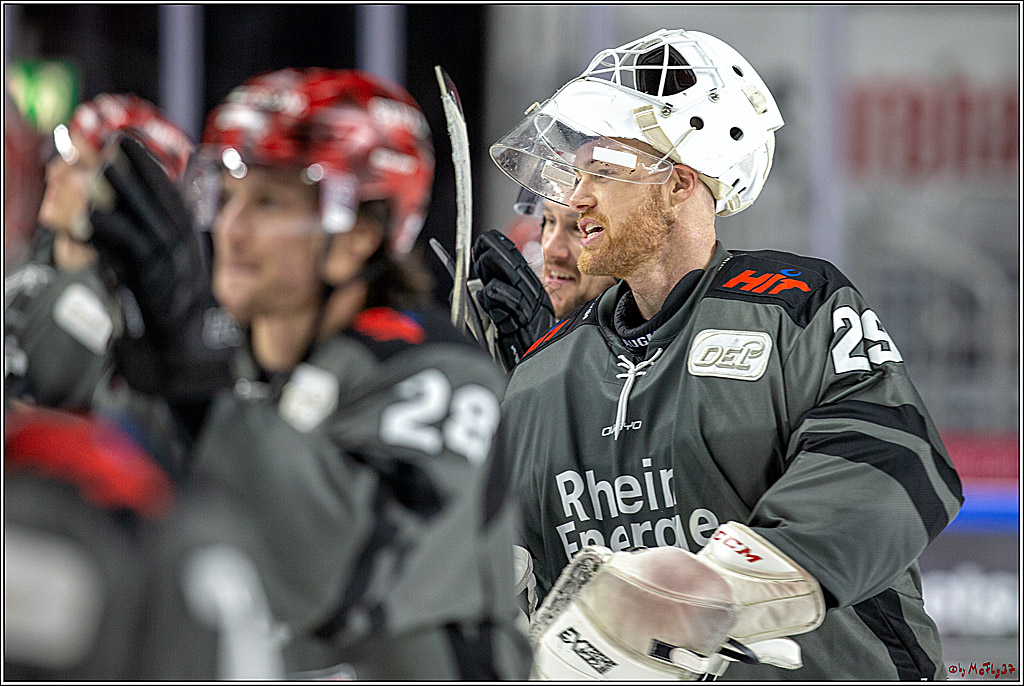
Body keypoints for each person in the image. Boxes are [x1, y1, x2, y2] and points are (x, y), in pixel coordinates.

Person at [488, 28, 962, 680]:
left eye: (602, 170)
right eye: (573, 173)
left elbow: (894, 464)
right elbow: (507, 586)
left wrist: (716, 592)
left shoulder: (793, 304)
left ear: (680, 184)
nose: (573, 197)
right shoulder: (541, 375)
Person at [81, 68, 532, 679]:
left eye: (269, 201)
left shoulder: (441, 374)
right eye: (229, 194)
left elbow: (336, 570)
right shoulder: (213, 363)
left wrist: (192, 388)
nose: (232, 229)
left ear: (359, 235)